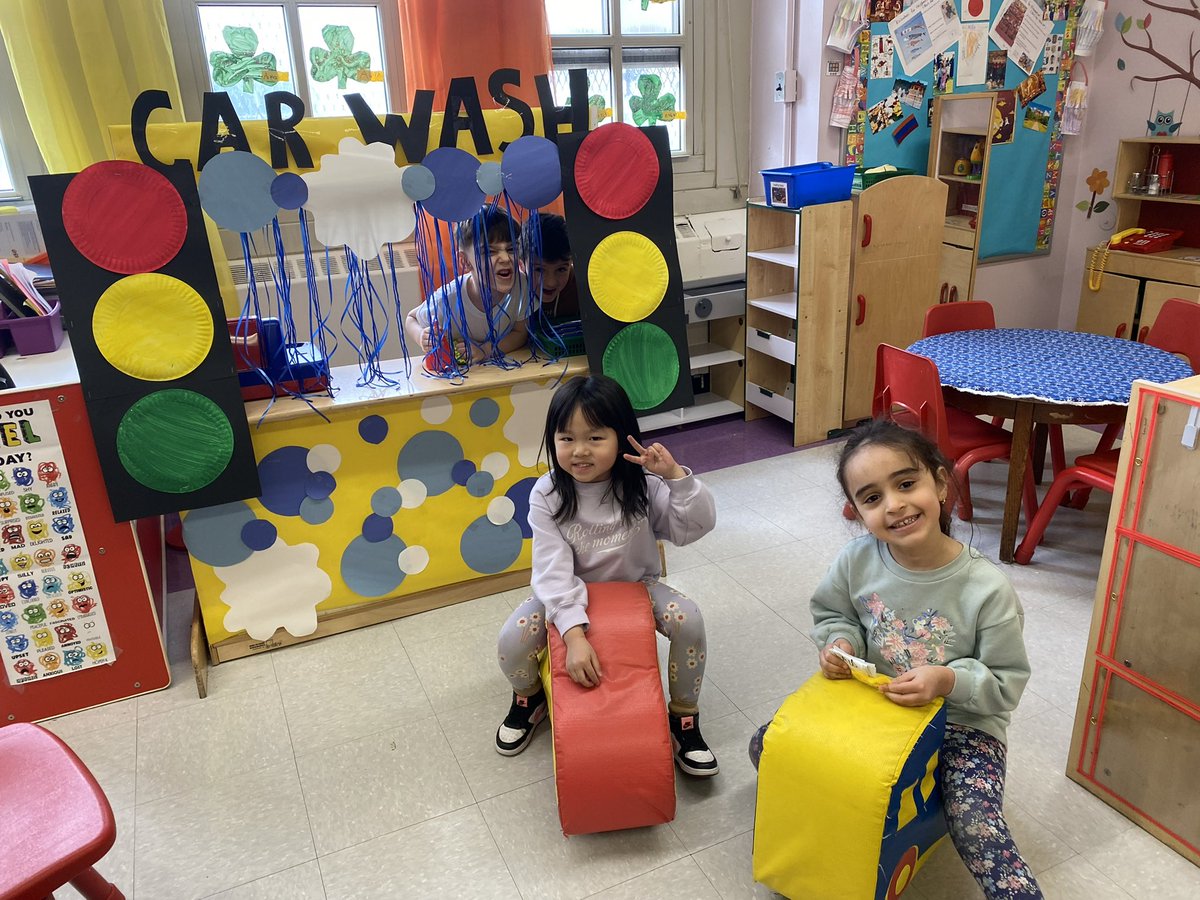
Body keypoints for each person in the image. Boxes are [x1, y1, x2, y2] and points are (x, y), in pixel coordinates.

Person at [749, 419, 1042, 899]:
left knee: (975, 822)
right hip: (875, 710)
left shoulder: (988, 589)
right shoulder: (856, 561)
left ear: (942, 483)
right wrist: (840, 644)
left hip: (962, 727)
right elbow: (833, 613)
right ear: (858, 511)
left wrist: (946, 679)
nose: (895, 505)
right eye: (872, 497)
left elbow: (1006, 682)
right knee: (770, 747)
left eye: (907, 483)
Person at [495, 374, 720, 776]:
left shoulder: (643, 485)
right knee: (513, 640)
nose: (580, 451)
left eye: (595, 438)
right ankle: (529, 700)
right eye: (566, 438)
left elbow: (694, 528)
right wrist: (573, 633)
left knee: (691, 621)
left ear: (621, 438)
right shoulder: (547, 493)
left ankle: (684, 718)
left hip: (638, 587)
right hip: (568, 593)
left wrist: (675, 478)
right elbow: (551, 569)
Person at [404, 207, 528, 362]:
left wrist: (485, 351)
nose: (505, 258)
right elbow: (411, 318)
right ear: (465, 262)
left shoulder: (522, 284)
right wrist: (421, 336)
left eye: (511, 249)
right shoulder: (448, 298)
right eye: (490, 252)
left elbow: (520, 333)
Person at [520, 212, 577, 319]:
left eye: (561, 269)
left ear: (571, 263)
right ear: (521, 264)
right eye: (539, 269)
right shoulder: (513, 290)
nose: (550, 283)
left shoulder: (581, 287)